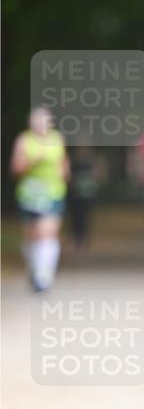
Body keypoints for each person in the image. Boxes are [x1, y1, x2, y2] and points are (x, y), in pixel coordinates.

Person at [9, 107, 69, 292]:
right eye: (37, 122)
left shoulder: (57, 139)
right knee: (31, 236)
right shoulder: (24, 140)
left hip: (53, 193)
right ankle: (35, 268)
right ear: (31, 123)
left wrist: (65, 173)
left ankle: (44, 276)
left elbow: (63, 163)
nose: (41, 125)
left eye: (45, 121)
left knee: (48, 231)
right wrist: (35, 160)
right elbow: (15, 169)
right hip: (29, 195)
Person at [67, 145, 107, 256]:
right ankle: (75, 241)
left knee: (85, 219)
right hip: (74, 194)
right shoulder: (73, 159)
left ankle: (83, 243)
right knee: (74, 218)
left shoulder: (94, 160)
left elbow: (100, 175)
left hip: (88, 194)